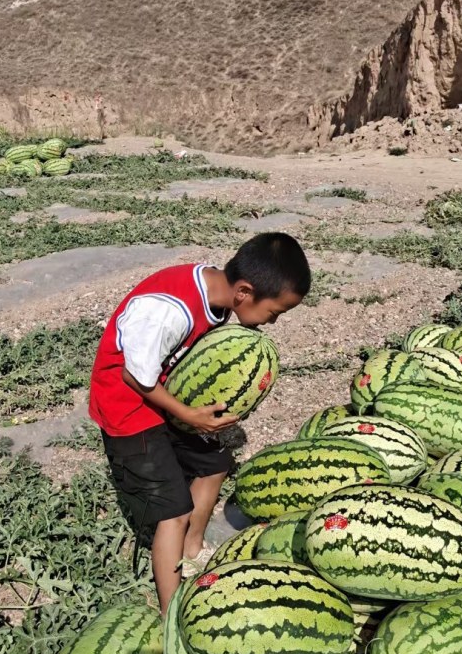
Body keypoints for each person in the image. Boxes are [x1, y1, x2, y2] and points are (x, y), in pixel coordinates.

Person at [88, 233, 311, 615]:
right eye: (275, 313)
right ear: (244, 291)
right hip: (128, 409)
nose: (272, 322)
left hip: (164, 399)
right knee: (172, 511)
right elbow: (133, 377)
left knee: (216, 464)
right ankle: (171, 610)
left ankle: (191, 551)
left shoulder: (220, 299)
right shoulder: (170, 309)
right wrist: (189, 415)